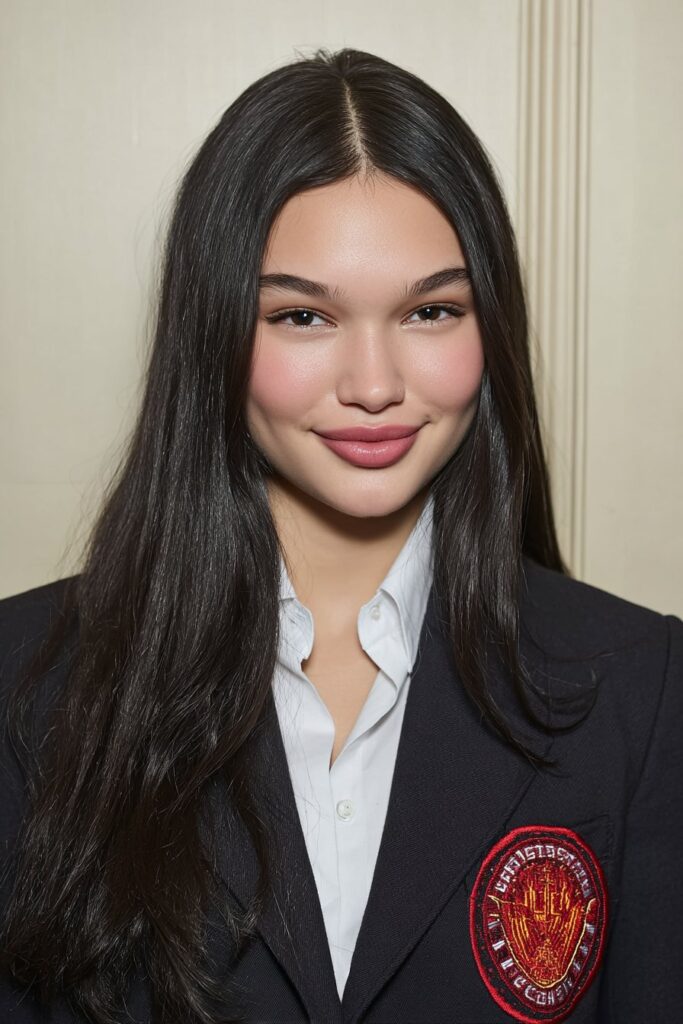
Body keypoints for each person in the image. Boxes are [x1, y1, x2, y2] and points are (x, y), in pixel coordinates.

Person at [0, 46, 680, 1024]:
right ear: (216, 331)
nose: (371, 383)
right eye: (303, 315)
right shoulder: (26, 686)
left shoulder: (638, 689)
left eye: (430, 309)